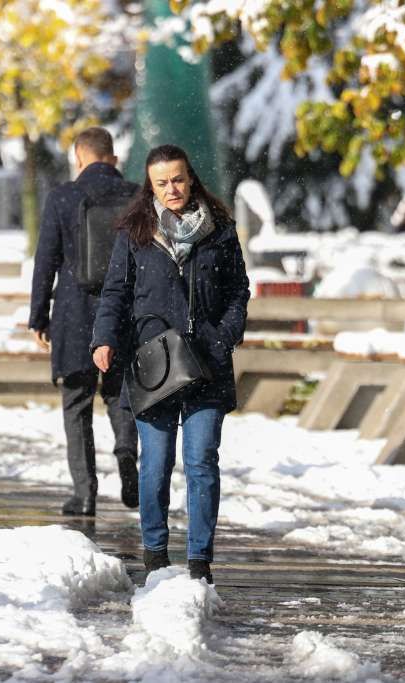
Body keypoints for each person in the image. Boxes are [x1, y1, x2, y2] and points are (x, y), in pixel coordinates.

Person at [90, 144, 250, 584]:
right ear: (151, 186)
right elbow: (115, 294)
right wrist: (103, 338)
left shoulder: (220, 231)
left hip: (207, 363)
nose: (171, 189)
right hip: (153, 362)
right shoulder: (135, 232)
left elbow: (239, 291)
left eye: (177, 179)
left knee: (201, 461)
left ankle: (200, 561)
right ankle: (155, 555)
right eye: (161, 183)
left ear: (191, 177)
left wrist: (222, 337)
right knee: (155, 464)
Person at [29, 127, 139, 517]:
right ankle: (127, 452)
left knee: (76, 403)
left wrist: (38, 315)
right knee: (119, 392)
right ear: (111, 157)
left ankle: (85, 493)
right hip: (124, 313)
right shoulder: (136, 195)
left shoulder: (63, 196)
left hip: (75, 313)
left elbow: (46, 260)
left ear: (79, 157)